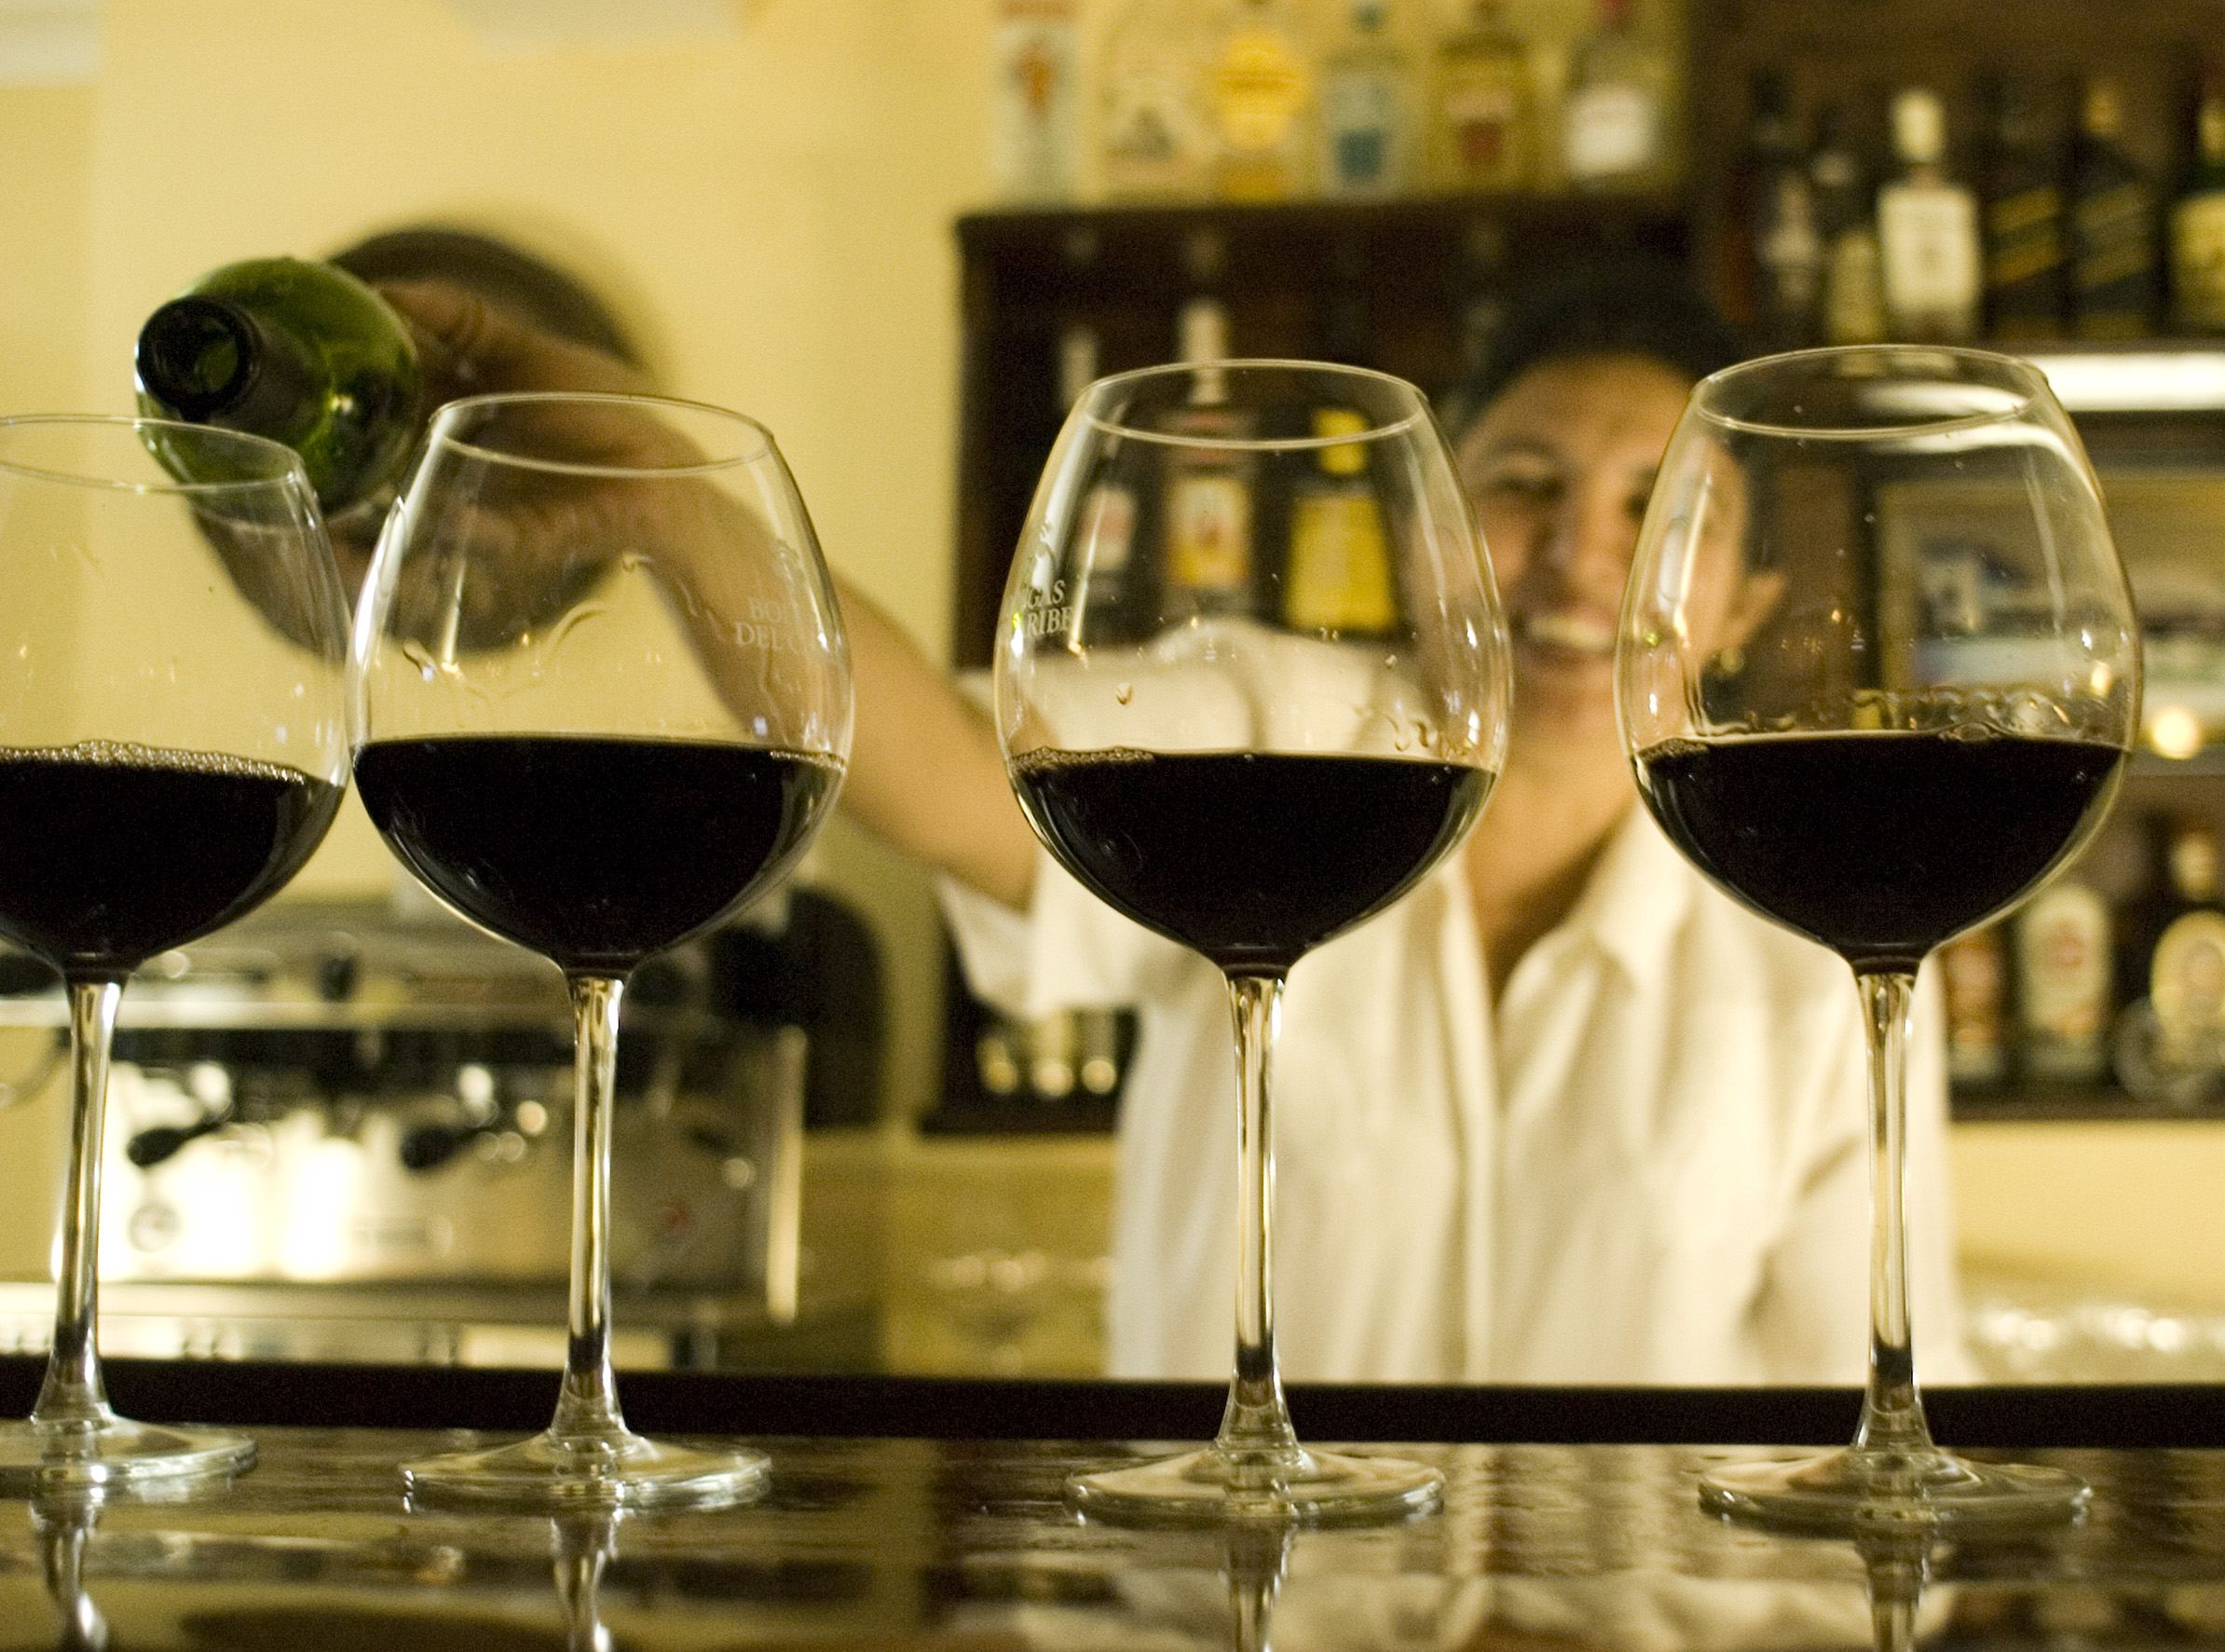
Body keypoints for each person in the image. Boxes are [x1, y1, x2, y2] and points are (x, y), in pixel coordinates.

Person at [371, 258, 1969, 1386]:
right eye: (1524, 483)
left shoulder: (1808, 931)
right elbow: (933, 761)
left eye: (1652, 511)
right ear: (1422, 536)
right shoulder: (1276, 748)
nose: (1578, 560)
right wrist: (661, 486)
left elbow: (1867, 1387)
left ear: (1744, 594)